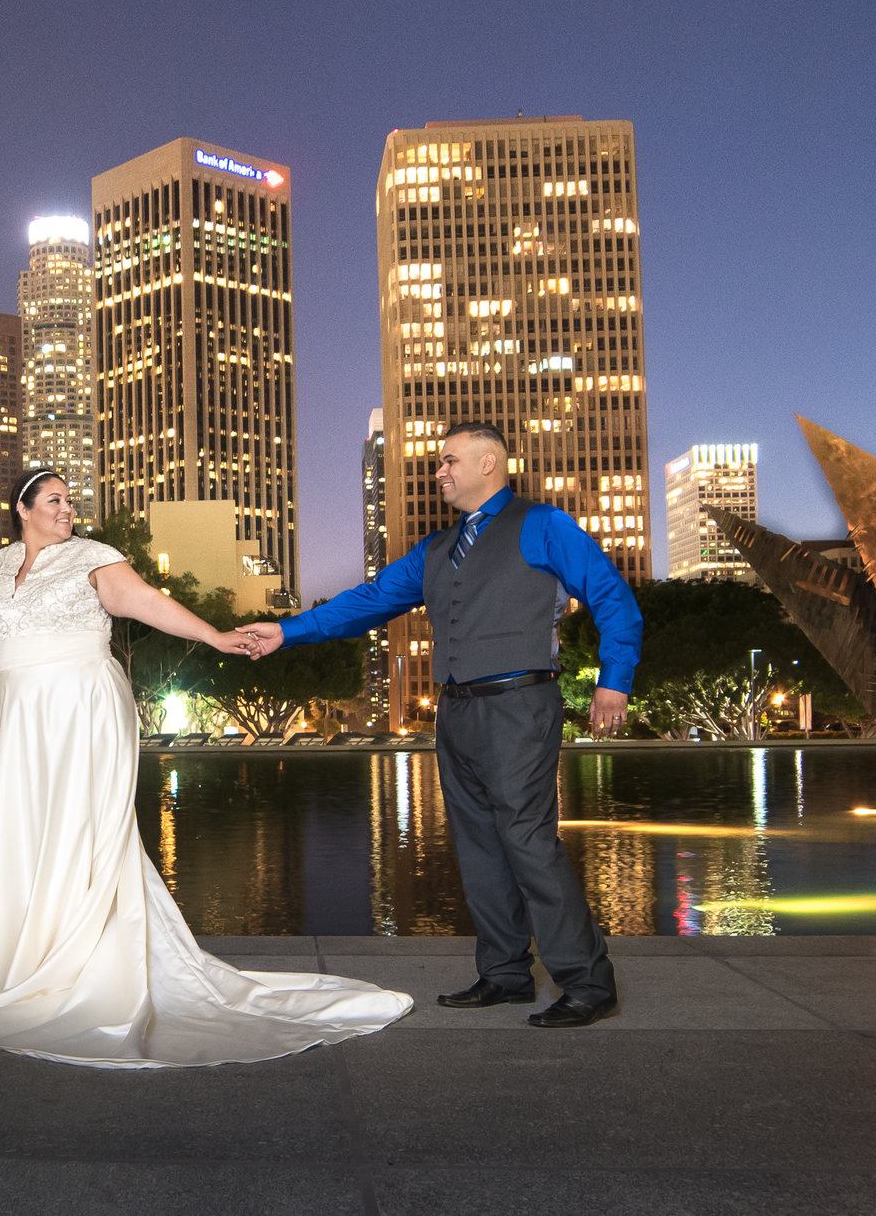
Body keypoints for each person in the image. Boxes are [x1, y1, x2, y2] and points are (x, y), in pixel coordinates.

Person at [0, 469, 414, 1067]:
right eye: (56, 501)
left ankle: (81, 962)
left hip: (80, 703)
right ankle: (24, 959)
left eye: (71, 500)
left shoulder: (92, 557)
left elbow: (146, 603)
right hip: (14, 711)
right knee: (18, 829)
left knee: (78, 828)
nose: (69, 510)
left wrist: (215, 637)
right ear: (22, 507)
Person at [242, 421, 642, 1029]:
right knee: (479, 846)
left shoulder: (542, 526)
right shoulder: (435, 551)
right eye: (438, 463)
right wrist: (288, 632)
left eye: (450, 461)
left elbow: (612, 595)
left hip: (520, 705)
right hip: (456, 712)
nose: (440, 472)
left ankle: (588, 981)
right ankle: (505, 974)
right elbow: (368, 601)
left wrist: (615, 679)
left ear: (490, 465)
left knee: (529, 842)